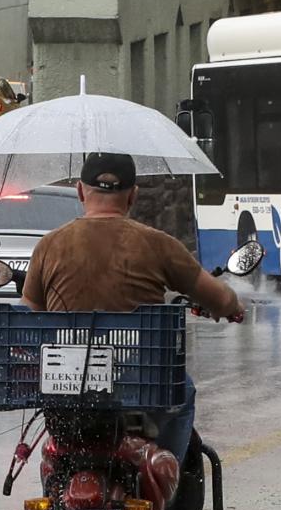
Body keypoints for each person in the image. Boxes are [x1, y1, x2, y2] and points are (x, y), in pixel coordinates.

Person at [21, 152, 244, 464]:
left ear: (80, 191)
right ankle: (168, 475)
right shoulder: (157, 243)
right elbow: (219, 299)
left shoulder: (49, 245)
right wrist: (232, 306)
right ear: (133, 195)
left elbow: (29, 311)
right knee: (185, 392)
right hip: (140, 380)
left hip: (68, 382)